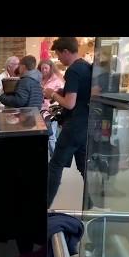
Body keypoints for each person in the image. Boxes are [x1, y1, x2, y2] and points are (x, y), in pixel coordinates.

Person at [44, 37, 92, 208]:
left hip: (74, 125)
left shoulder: (72, 71)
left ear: (65, 51)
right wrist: (63, 91)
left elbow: (70, 103)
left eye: (58, 55)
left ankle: (45, 204)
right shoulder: (86, 67)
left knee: (55, 165)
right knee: (83, 165)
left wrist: (53, 94)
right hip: (85, 123)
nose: (58, 59)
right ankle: (91, 201)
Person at [38, 59, 65, 154]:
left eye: (46, 68)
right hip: (39, 111)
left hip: (50, 112)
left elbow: (60, 97)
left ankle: (54, 157)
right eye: (42, 68)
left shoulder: (57, 80)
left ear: (51, 69)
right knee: (43, 136)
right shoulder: (39, 79)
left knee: (51, 136)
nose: (44, 70)